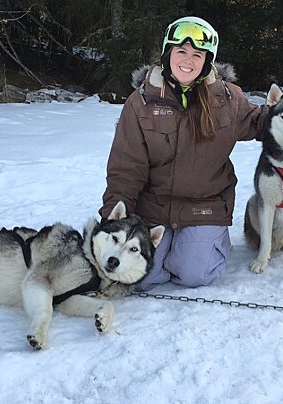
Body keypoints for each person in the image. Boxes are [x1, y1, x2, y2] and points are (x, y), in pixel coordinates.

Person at [99, 16, 268, 290]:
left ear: (207, 60)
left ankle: (202, 245)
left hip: (205, 207)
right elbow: (125, 167)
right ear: (168, 54)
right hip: (153, 207)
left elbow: (260, 122)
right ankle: (172, 250)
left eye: (197, 54)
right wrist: (113, 219)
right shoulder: (141, 102)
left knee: (195, 275)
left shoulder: (227, 99)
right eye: (181, 51)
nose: (188, 60)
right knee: (142, 279)